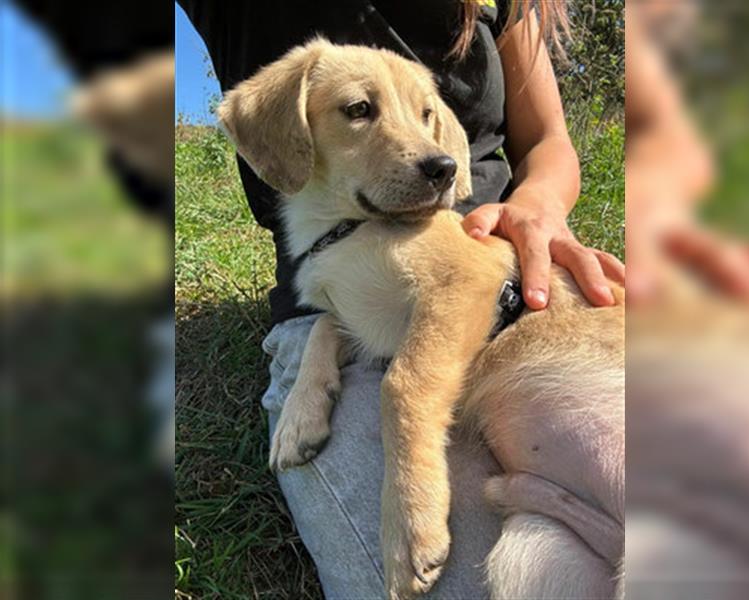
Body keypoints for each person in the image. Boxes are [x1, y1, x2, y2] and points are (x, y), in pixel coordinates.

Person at [180, 1, 623, 596]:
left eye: (425, 117)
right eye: (360, 112)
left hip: (570, 349)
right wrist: (320, 352)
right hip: (499, 406)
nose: (423, 151)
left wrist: (537, 206)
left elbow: (546, 141)